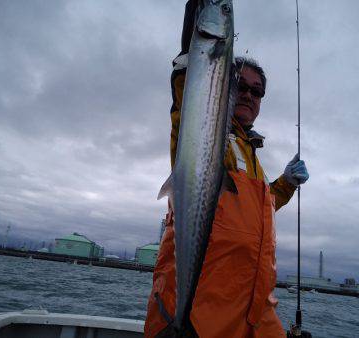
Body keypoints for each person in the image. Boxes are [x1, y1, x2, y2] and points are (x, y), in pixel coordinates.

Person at [145, 2, 309, 337]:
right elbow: (187, 96)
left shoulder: (252, 157)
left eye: (257, 91)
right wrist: (193, 47)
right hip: (201, 311)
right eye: (240, 85)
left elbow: (255, 212)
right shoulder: (206, 132)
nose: (248, 95)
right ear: (223, 83)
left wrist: (286, 183)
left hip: (254, 311)